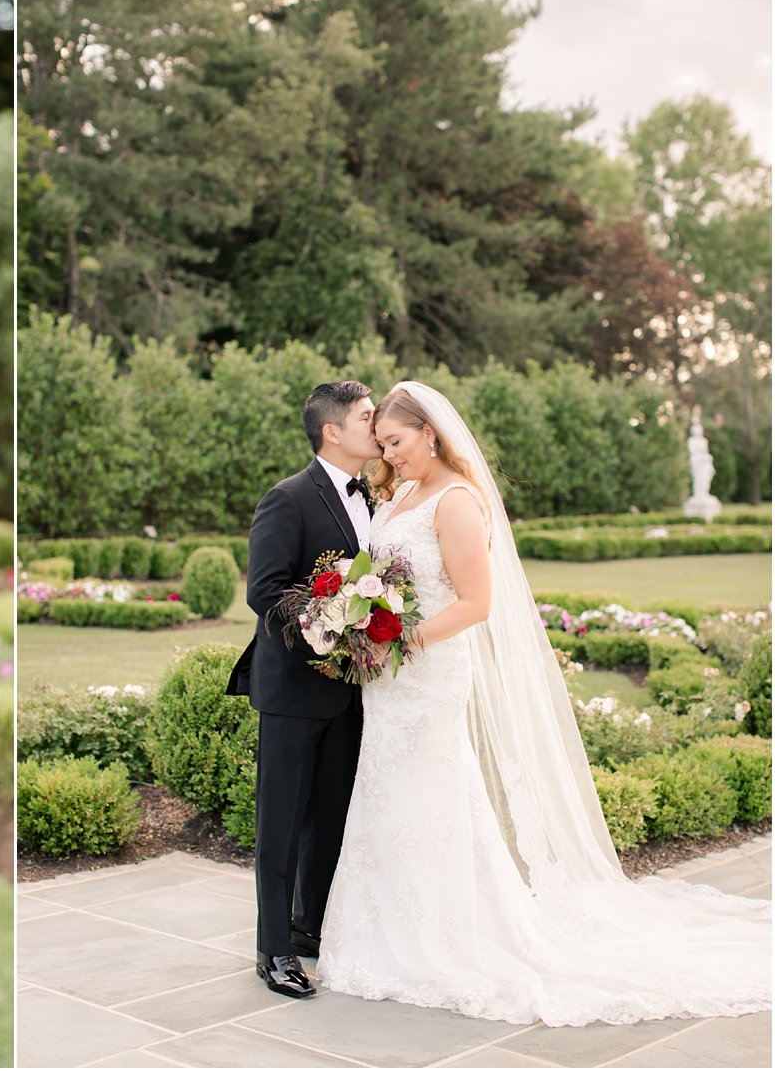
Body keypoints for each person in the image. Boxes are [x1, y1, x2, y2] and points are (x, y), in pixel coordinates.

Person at [317, 381, 770, 1025]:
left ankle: (449, 936)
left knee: (433, 793)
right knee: (388, 791)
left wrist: (404, 635)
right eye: (382, 445)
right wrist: (359, 618)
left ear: (432, 434)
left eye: (396, 443)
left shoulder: (457, 502)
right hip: (389, 681)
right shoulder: (403, 495)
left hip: (431, 672)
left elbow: (478, 603)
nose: (388, 457)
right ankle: (383, 930)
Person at [231, 380, 383, 998]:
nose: (377, 427)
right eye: (368, 417)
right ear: (332, 431)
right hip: (294, 690)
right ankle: (272, 952)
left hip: (352, 689)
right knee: (282, 824)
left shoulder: (371, 495)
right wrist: (331, 622)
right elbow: (264, 592)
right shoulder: (287, 499)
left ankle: (310, 929)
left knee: (331, 819)